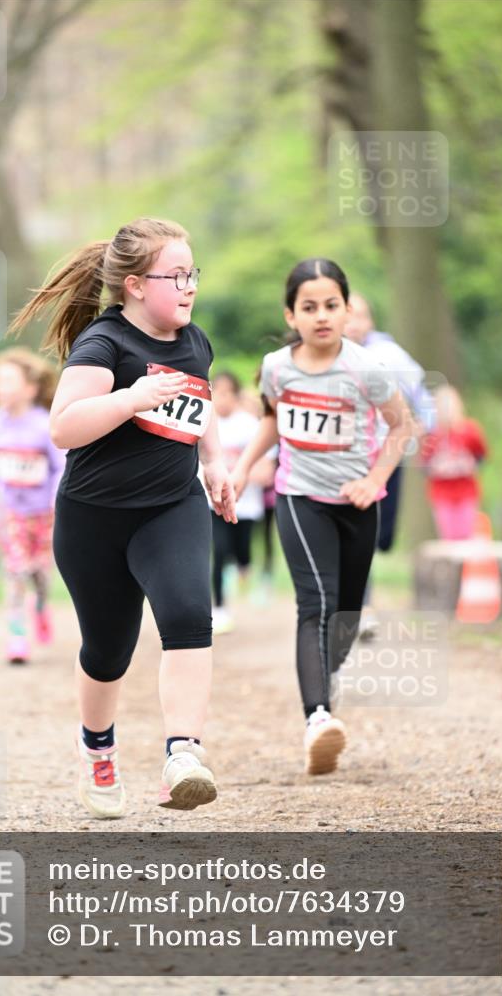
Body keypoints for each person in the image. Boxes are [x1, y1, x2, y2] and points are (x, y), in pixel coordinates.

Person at [8, 218, 237, 818]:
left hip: (172, 506)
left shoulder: (194, 340)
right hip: (95, 520)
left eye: (193, 274)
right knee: (110, 649)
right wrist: (131, 398)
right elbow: (63, 427)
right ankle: (98, 749)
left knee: (189, 614)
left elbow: (201, 400)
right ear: (135, 285)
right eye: (176, 276)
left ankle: (183, 753)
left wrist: (214, 462)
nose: (189, 287)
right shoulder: (103, 346)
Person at [233, 259, 413, 776]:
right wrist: (246, 467)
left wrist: (375, 480)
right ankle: (318, 718)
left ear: (347, 309)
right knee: (316, 602)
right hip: (299, 496)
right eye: (309, 307)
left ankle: (321, 677)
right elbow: (272, 420)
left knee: (347, 617)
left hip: (357, 504)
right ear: (291, 314)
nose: (321, 316)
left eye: (331, 305)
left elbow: (402, 427)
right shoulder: (277, 367)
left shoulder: (366, 368)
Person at [344, 293, 434, 637]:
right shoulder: (325, 356)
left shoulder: (390, 355)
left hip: (389, 454)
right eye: (349, 316)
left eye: (362, 317)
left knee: (383, 537)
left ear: (371, 322)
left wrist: (427, 425)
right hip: (350, 458)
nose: (354, 323)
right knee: (359, 527)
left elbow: (421, 394)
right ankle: (362, 606)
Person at [0, 347, 65, 665]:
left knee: (39, 573)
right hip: (8, 510)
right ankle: (17, 637)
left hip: (43, 512)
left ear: (31, 388)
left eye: (8, 381)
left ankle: (40, 606)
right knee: (15, 571)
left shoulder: (44, 425)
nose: (0, 388)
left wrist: (57, 501)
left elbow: (60, 467)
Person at [205, 372, 275, 634]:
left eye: (227, 393)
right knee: (219, 551)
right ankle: (219, 608)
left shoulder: (249, 425)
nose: (222, 400)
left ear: (236, 395)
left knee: (242, 552)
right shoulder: (204, 421)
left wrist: (239, 472)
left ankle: (244, 566)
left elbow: (266, 470)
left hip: (246, 505)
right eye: (217, 393)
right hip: (213, 503)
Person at [420, 384, 487, 539]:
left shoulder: (470, 430)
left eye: (449, 406)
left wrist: (468, 464)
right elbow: (424, 465)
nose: (446, 411)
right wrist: (437, 467)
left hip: (467, 490)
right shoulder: (432, 435)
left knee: (466, 535)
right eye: (442, 406)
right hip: (441, 492)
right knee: (448, 536)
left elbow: (481, 456)